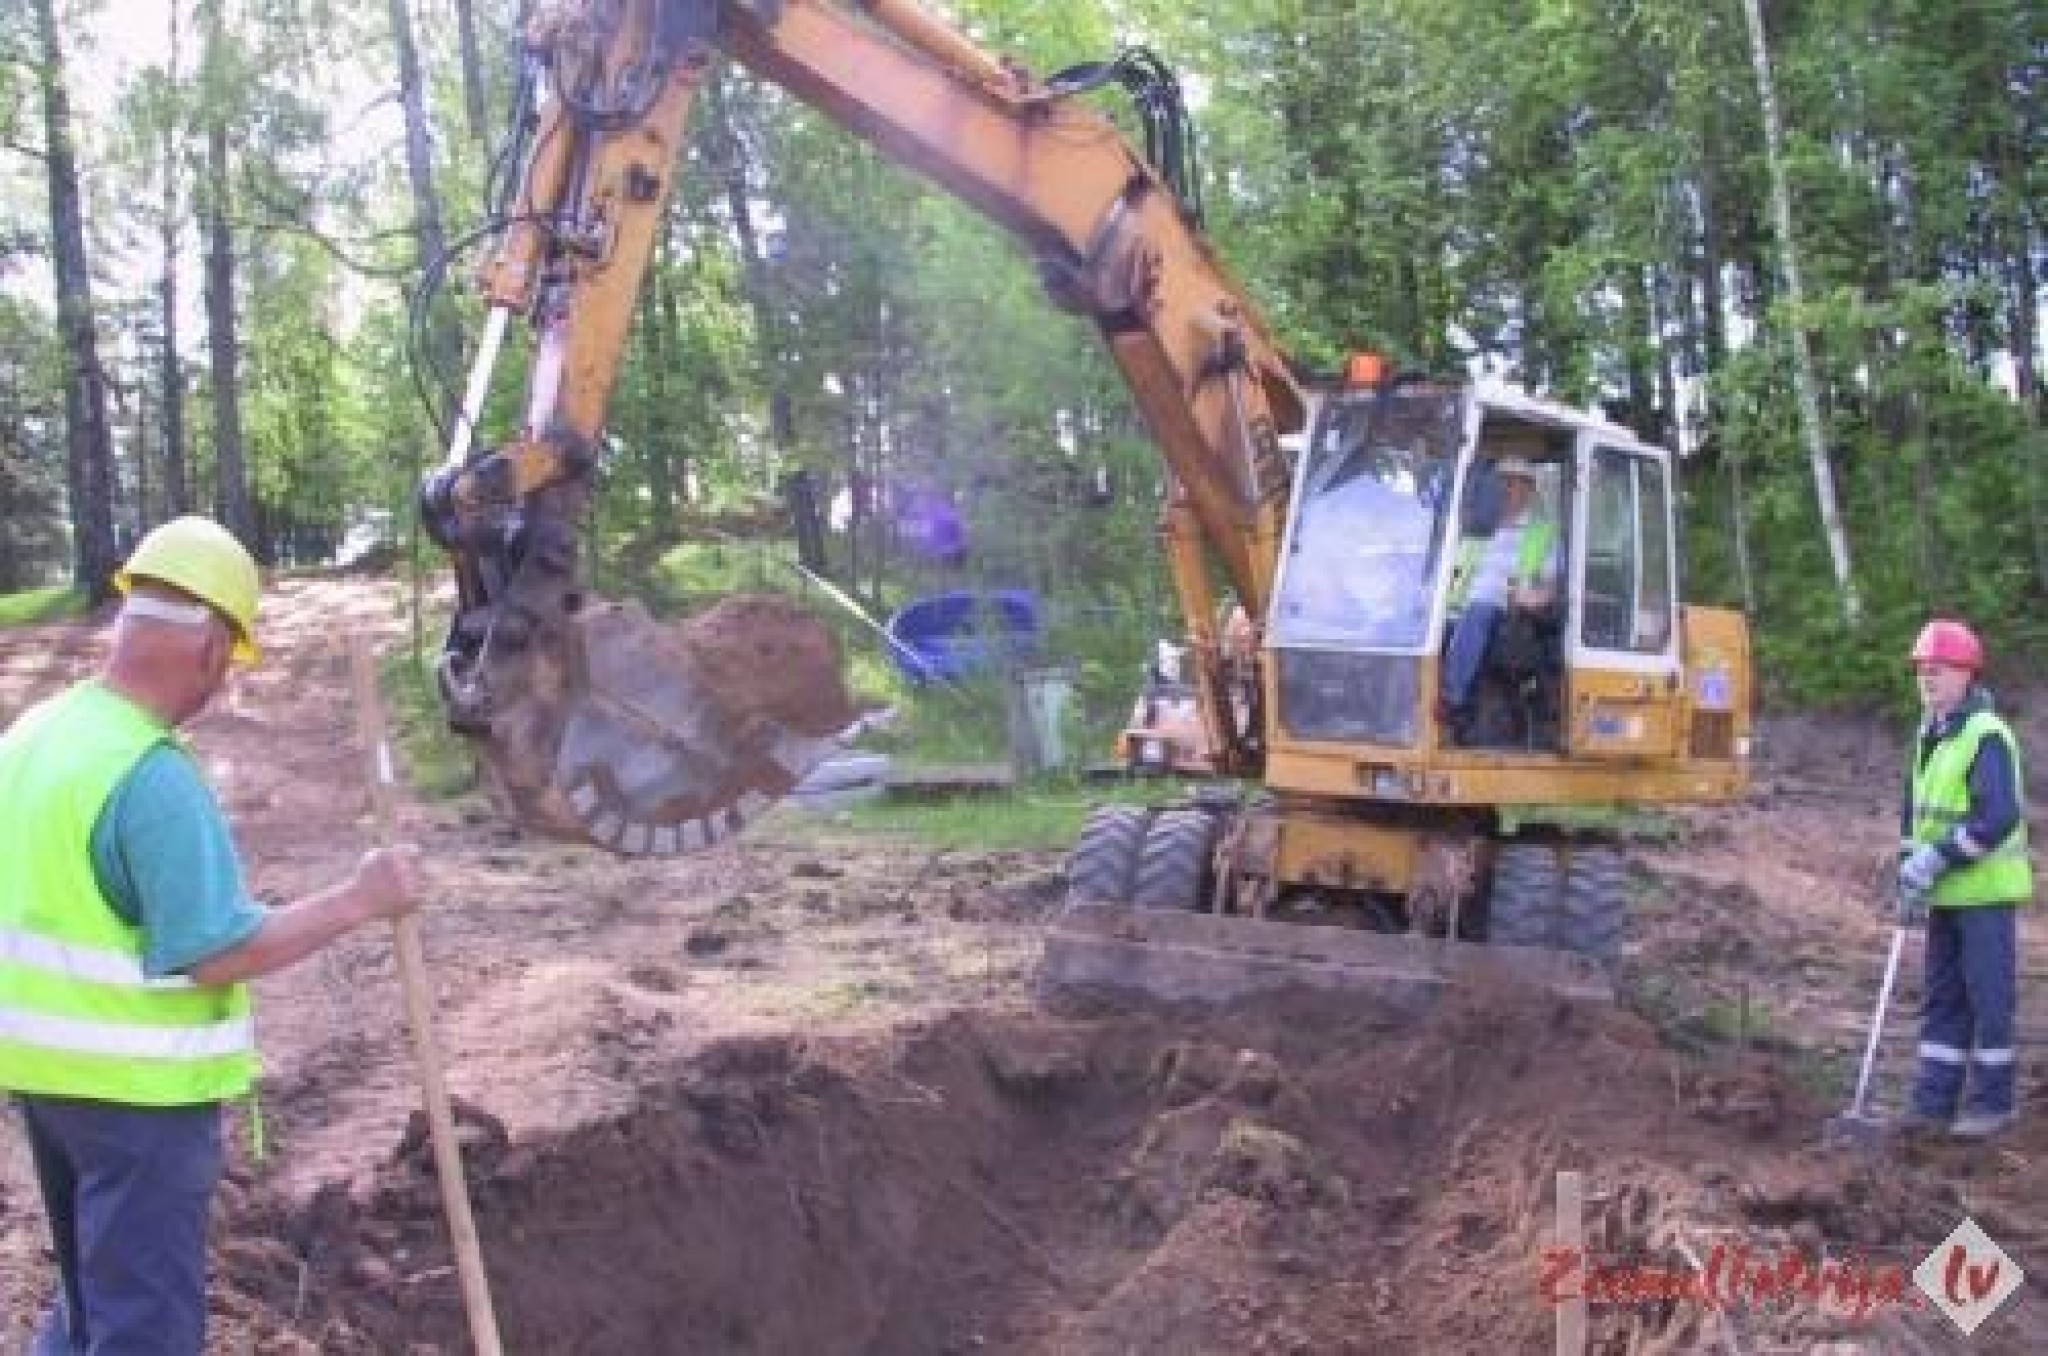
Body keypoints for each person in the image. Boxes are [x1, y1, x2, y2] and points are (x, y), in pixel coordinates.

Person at [0, 516, 425, 1355]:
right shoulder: (147, 775)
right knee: (145, 1327)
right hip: (136, 1095)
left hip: (45, 1072)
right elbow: (216, 952)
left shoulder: (36, 736)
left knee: (94, 1302)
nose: (223, 684)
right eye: (229, 662)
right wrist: (359, 899)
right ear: (207, 648)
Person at [1894, 618, 2031, 1140]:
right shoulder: (1930, 735)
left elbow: (1997, 818)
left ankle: (1992, 1105)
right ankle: (1933, 1103)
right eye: (1922, 670)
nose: (1927, 679)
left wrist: (1938, 859)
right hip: (1946, 896)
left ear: (1966, 675)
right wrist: (1909, 877)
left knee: (1988, 999)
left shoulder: (1985, 735)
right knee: (1943, 998)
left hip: (1985, 897)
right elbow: (1916, 822)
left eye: (1938, 670)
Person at [1439, 458, 1560, 739]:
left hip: (1510, 614)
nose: (1503, 489)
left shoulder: (1541, 533)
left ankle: (1450, 700)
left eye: (1511, 482)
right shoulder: (1476, 530)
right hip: (1458, 609)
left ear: (1528, 489)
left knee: (1478, 611)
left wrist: (1527, 598)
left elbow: (1552, 589)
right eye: (1500, 482)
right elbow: (1453, 576)